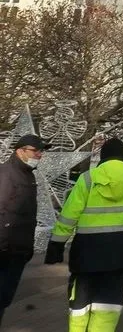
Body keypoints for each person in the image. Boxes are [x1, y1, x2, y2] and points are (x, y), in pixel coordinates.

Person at [45, 138, 123, 331]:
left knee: (80, 305)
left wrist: (56, 246)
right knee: (109, 305)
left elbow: (69, 215)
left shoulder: (88, 178)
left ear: (103, 156)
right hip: (120, 253)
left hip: (86, 253)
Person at [0, 134, 46, 327]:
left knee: (3, 300)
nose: (40, 155)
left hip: (17, 250)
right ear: (20, 151)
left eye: (41, 151)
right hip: (5, 250)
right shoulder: (6, 174)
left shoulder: (27, 173)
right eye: (35, 150)